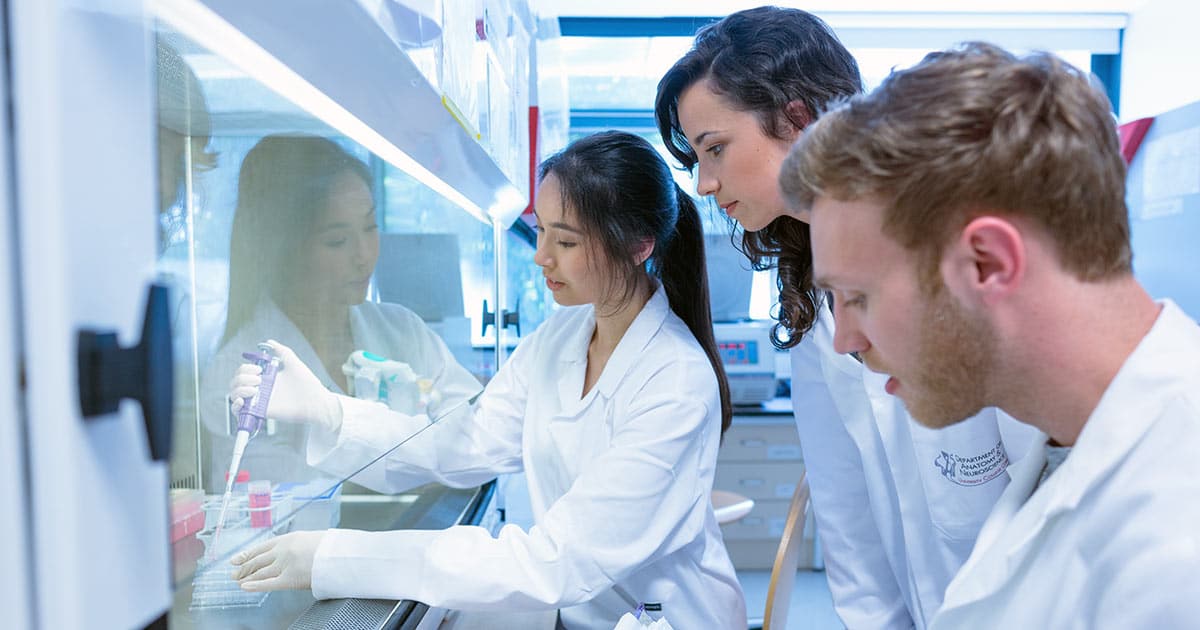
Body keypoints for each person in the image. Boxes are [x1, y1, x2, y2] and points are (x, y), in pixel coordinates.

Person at [225, 131, 747, 629]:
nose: (541, 256)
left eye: (564, 240)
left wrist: (335, 556)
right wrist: (328, 412)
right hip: (588, 614)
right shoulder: (561, 336)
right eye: (540, 230)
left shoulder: (674, 383)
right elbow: (465, 442)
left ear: (637, 247)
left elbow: (553, 564)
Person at [781, 41, 1200, 628]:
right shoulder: (1074, 445)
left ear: (987, 264)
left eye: (858, 298)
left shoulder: (1174, 550)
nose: (846, 341)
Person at [655, 7, 1038, 628]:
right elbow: (845, 508)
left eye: (716, 149)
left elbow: (1043, 479)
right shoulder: (810, 287)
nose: (704, 183)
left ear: (797, 115)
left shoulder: (955, 249)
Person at [199, 134, 481, 490]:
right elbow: (286, 503)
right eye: (337, 240)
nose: (364, 255)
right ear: (284, 250)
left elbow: (475, 440)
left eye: (370, 227)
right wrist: (420, 450)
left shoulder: (403, 331)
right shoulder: (241, 373)